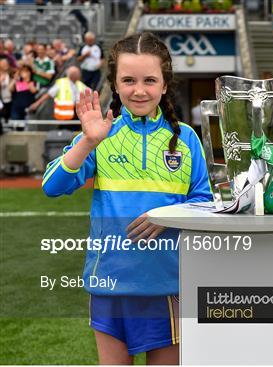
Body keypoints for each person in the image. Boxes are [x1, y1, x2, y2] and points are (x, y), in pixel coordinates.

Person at [42, 32, 213, 365]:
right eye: (129, 80)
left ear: (165, 85)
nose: (139, 90)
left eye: (150, 80)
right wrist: (87, 142)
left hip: (167, 283)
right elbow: (52, 186)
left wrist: (167, 215)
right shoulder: (102, 134)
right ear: (115, 85)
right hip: (110, 282)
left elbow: (204, 203)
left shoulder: (187, 139)